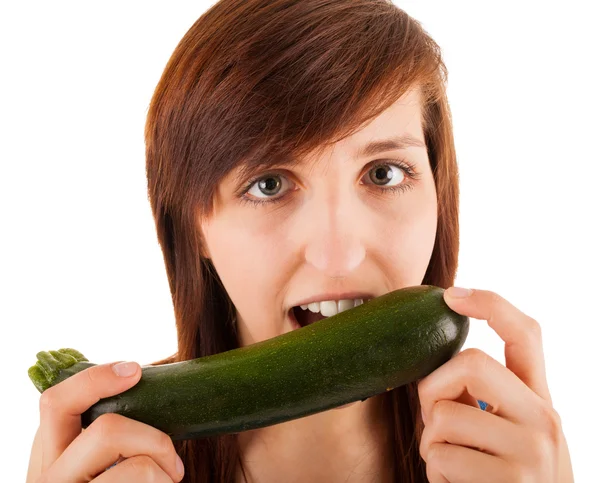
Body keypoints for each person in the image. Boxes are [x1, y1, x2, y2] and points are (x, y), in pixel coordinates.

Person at [26, 1, 574, 482]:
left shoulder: (520, 465)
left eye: (384, 173)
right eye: (269, 185)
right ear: (195, 228)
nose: (339, 256)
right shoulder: (103, 469)